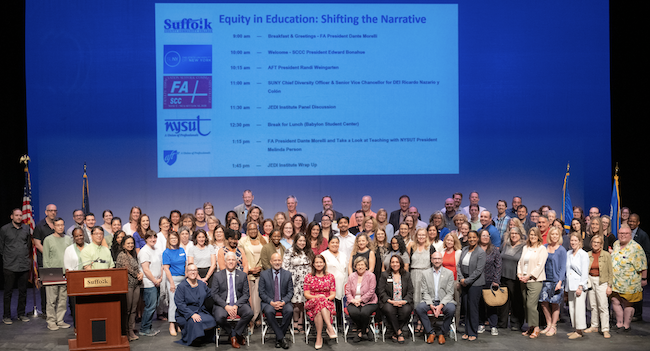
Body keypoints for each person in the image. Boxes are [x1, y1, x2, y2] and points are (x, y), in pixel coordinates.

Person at [212, 251, 254, 348]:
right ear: (225, 262)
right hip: (223, 304)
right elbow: (214, 294)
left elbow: (246, 294)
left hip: (238, 304)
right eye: (229, 260)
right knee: (219, 317)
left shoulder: (242, 275)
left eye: (233, 260)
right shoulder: (217, 276)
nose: (231, 262)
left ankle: (236, 333)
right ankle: (233, 334)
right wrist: (226, 306)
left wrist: (236, 306)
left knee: (249, 313)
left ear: (236, 262)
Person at [611, 224, 647, 331]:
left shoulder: (636, 248)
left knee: (627, 303)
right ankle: (619, 323)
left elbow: (643, 265)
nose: (622, 235)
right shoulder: (616, 244)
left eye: (625, 233)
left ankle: (626, 325)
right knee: (614, 301)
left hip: (630, 283)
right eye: (620, 233)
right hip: (615, 282)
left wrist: (644, 279)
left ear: (630, 234)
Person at [414, 252, 456, 345]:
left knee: (451, 309)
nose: (437, 261)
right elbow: (424, 292)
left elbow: (450, 293)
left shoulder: (449, 273)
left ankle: (442, 333)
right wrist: (431, 305)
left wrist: (440, 306)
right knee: (419, 308)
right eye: (435, 259)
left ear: (442, 260)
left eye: (439, 259)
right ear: (431, 260)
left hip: (444, 300)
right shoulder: (425, 273)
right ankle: (431, 332)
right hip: (430, 300)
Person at [174, 263, 217, 346]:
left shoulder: (201, 284)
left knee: (212, 320)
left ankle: (203, 337)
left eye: (194, 270)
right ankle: (193, 338)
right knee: (196, 322)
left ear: (197, 272)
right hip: (186, 313)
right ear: (186, 272)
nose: (193, 272)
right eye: (190, 270)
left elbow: (211, 294)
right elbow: (180, 304)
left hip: (201, 311)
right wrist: (191, 314)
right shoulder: (182, 286)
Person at [518, 227, 548, 338]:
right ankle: (530, 327)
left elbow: (540, 266)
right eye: (531, 234)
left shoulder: (542, 249)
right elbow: (520, 262)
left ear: (538, 236)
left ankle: (536, 327)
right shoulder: (526, 247)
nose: (532, 237)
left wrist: (528, 276)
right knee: (526, 305)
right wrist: (520, 274)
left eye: (535, 235)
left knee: (531, 305)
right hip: (523, 280)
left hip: (534, 280)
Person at [42, 217, 72, 330]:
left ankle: (60, 320)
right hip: (52, 274)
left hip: (65, 273)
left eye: (62, 225)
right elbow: (46, 259)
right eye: (58, 225)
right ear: (54, 227)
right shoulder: (48, 240)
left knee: (63, 299)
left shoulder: (68, 239)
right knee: (51, 299)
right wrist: (48, 275)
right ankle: (51, 321)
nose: (60, 227)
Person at [259, 253, 294, 349]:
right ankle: (281, 337)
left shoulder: (287, 274)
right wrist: (271, 302)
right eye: (275, 260)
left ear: (282, 261)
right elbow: (261, 293)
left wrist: (283, 301)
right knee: (269, 311)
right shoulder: (264, 274)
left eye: (279, 260)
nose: (277, 262)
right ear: (271, 262)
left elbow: (290, 292)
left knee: (290, 310)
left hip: (283, 302)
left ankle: (279, 338)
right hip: (269, 302)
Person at [378, 255, 413, 343]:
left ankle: (395, 331)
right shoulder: (385, 275)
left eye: (397, 262)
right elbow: (381, 291)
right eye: (393, 262)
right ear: (390, 264)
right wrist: (391, 301)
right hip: (389, 301)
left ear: (400, 263)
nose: (395, 264)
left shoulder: (406, 275)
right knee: (389, 310)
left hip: (403, 301)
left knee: (406, 310)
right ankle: (399, 333)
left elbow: (410, 291)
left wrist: (403, 301)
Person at [457, 230, 485, 341]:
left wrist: (467, 280)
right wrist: (461, 279)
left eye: (474, 237)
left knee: (473, 308)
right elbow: (459, 265)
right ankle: (467, 331)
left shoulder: (481, 252)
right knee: (466, 308)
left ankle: (473, 332)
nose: (471, 239)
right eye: (469, 238)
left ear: (477, 238)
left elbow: (479, 270)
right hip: (464, 281)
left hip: (475, 283)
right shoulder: (464, 250)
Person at [304, 255, 337, 349]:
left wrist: (325, 299)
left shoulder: (330, 276)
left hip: (327, 302)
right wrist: (317, 297)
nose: (319, 264)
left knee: (319, 309)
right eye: (317, 262)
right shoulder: (308, 277)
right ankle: (329, 327)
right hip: (312, 302)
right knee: (320, 301)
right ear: (313, 264)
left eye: (320, 262)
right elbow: (306, 294)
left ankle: (319, 337)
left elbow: (333, 294)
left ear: (324, 264)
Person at [282, 233, 313, 333]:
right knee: (295, 304)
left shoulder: (309, 252)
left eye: (304, 241)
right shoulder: (289, 251)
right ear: (296, 241)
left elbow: (313, 266)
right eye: (300, 240)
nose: (302, 243)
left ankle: (301, 323)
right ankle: (295, 322)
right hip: (294, 280)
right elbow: (285, 267)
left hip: (306, 281)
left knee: (303, 303)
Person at [539, 227, 566, 337]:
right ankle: (548, 324)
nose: (554, 236)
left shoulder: (561, 250)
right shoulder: (544, 247)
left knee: (555, 303)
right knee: (544, 302)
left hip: (556, 280)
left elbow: (563, 267)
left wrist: (560, 281)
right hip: (545, 279)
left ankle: (554, 326)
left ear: (559, 236)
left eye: (556, 234)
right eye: (552, 234)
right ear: (549, 235)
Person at [583, 235, 613, 338]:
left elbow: (610, 271)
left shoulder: (606, 255)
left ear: (601, 244)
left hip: (602, 281)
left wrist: (609, 286)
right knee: (592, 305)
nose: (595, 244)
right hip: (590, 280)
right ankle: (594, 326)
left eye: (598, 242)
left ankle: (605, 329)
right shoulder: (587, 255)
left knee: (603, 306)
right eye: (594, 242)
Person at [239, 222, 267, 329]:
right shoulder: (242, 241)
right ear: (247, 230)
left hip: (261, 273)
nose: (253, 231)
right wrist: (249, 269)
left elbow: (266, 256)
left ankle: (257, 318)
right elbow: (241, 256)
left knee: (258, 298)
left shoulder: (264, 240)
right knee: (250, 298)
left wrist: (260, 267)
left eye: (255, 229)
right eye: (250, 229)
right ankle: (250, 320)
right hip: (248, 273)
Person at [115, 236, 143, 341]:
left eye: (132, 243)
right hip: (127, 285)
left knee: (133, 309)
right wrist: (138, 274)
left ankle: (131, 330)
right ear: (123, 245)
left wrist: (140, 274)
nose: (130, 245)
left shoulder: (132, 255)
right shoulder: (121, 255)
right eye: (128, 243)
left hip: (136, 284)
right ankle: (125, 332)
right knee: (127, 309)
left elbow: (136, 267)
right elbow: (128, 269)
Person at [497, 226, 525, 331]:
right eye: (512, 233)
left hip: (515, 277)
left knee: (516, 301)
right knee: (503, 301)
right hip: (503, 276)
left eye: (516, 233)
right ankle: (502, 322)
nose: (513, 235)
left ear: (520, 235)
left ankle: (516, 322)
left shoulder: (524, 247)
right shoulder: (505, 245)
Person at [344, 256, 378, 343]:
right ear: (355, 267)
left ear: (366, 266)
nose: (360, 267)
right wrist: (353, 300)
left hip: (369, 301)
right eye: (358, 265)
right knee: (354, 312)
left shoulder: (371, 276)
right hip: (353, 301)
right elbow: (347, 291)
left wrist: (360, 300)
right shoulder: (351, 276)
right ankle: (366, 329)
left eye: (362, 265)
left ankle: (360, 332)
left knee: (364, 312)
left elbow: (371, 291)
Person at [33, 204, 57, 315]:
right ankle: (45, 310)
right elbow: (37, 244)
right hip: (45, 260)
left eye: (55, 211)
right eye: (50, 211)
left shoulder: (58, 224)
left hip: (57, 261)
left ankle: (55, 309)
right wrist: (49, 255)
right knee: (46, 286)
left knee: (57, 285)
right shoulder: (40, 226)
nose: (53, 213)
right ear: (46, 212)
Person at [139, 231, 163, 336]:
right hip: (149, 283)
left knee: (154, 305)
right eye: (150, 238)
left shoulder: (157, 250)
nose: (153, 239)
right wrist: (154, 280)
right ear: (146, 239)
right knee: (150, 306)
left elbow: (161, 265)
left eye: (154, 237)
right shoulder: (144, 251)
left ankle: (148, 327)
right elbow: (146, 270)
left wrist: (161, 278)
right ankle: (144, 329)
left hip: (157, 281)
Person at [163, 231, 187, 336]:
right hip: (173, 279)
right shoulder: (166, 252)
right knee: (173, 303)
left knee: (181, 302)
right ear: (169, 240)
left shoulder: (182, 250)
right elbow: (166, 269)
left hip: (183, 280)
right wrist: (172, 283)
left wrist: (186, 274)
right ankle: (171, 324)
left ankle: (179, 323)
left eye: (175, 238)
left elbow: (185, 264)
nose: (174, 240)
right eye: (172, 238)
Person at [565, 232, 589, 339]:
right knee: (572, 308)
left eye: (575, 240)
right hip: (570, 284)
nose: (573, 242)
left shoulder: (583, 254)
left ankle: (580, 331)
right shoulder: (568, 253)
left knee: (579, 308)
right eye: (572, 240)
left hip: (579, 285)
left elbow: (584, 272)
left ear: (580, 242)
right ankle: (575, 329)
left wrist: (581, 286)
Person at [478, 228, 501, 336]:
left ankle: (493, 326)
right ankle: (481, 323)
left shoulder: (494, 250)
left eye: (487, 236)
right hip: (477, 281)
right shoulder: (476, 249)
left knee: (491, 304)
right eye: (483, 235)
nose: (486, 237)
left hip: (490, 280)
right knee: (480, 304)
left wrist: (496, 280)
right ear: (479, 237)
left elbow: (498, 266)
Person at [321, 236, 348, 324]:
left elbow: (346, 270)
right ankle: (329, 323)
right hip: (329, 284)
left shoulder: (343, 255)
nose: (335, 244)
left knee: (340, 303)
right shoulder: (324, 255)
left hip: (342, 283)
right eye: (332, 242)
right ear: (328, 244)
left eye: (337, 242)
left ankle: (340, 323)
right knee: (331, 303)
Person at [63, 228, 86, 327]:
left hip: (88, 280)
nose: (79, 237)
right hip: (75, 281)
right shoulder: (69, 249)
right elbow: (67, 266)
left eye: (80, 235)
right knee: (76, 306)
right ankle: (78, 327)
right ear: (73, 237)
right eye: (76, 236)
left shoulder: (89, 247)